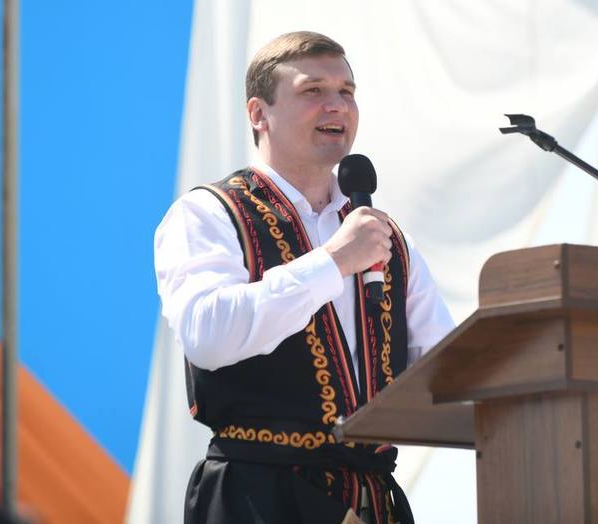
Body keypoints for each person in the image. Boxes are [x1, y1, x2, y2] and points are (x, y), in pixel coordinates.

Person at [154, 31, 454, 523]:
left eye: (347, 91)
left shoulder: (384, 236)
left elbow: (445, 370)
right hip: (257, 496)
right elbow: (207, 335)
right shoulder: (209, 214)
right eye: (313, 90)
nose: (337, 105)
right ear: (258, 113)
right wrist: (332, 262)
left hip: (372, 498)